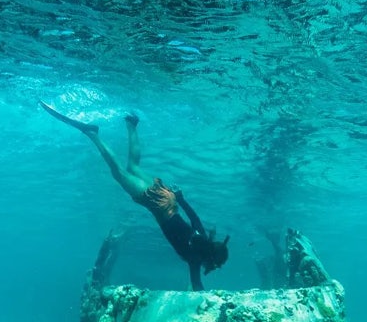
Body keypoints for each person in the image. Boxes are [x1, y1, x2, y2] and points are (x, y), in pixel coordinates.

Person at [40, 101, 229, 291]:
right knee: (119, 173)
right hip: (158, 205)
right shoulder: (195, 259)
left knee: (133, 167)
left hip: (168, 198)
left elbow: (194, 218)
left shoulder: (202, 237)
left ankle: (131, 124)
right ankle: (93, 134)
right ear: (211, 258)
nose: (211, 268)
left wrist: (180, 198)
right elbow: (197, 284)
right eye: (215, 265)